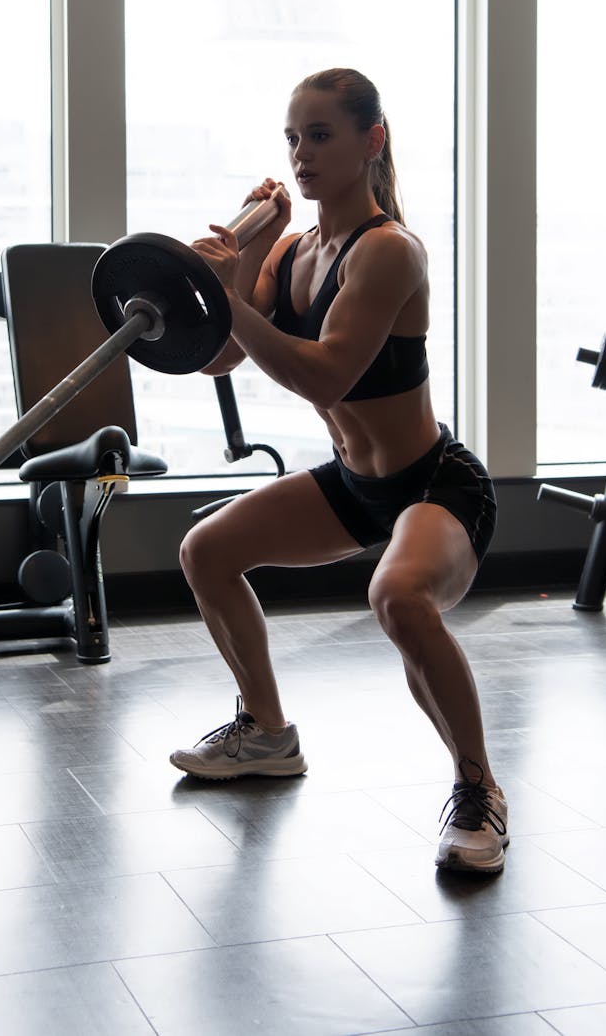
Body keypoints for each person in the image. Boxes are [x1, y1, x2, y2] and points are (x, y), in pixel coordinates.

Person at [170, 67, 507, 875]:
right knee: (205, 551)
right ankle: (267, 732)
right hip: (356, 485)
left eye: (320, 135)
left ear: (372, 141)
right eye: (292, 137)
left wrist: (230, 292)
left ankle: (480, 792)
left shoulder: (389, 251)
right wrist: (246, 252)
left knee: (397, 597)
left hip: (435, 485)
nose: (301, 153)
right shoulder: (292, 252)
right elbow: (219, 357)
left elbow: (326, 375)